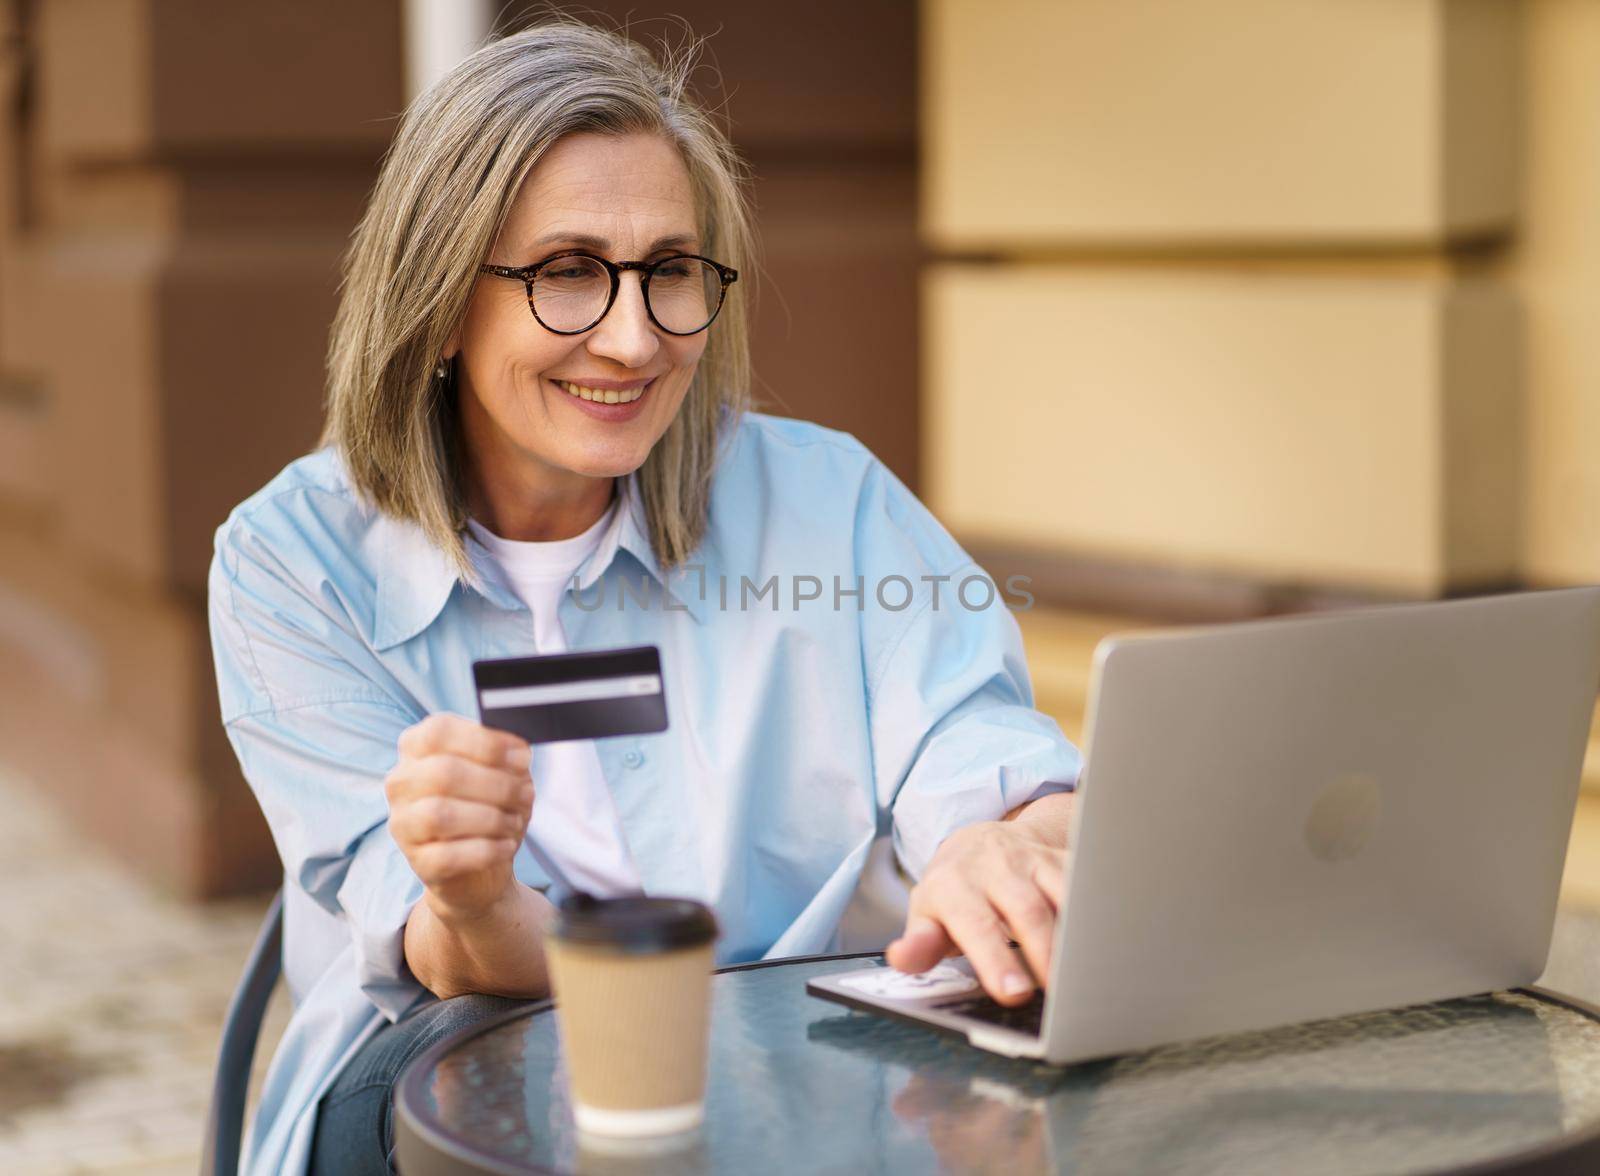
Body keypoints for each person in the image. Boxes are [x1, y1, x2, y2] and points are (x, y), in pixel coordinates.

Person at [207, 18, 1080, 1176]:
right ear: (436, 303)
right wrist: (469, 898)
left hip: (792, 1051)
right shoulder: (291, 562)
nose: (632, 339)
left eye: (669, 271)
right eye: (567, 272)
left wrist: (1006, 839)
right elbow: (444, 953)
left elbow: (976, 739)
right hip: (456, 1052)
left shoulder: (829, 499)